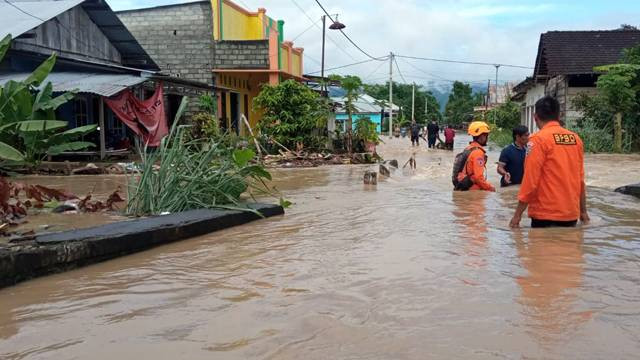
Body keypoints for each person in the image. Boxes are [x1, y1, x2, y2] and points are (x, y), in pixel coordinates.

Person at [510, 96, 590, 228]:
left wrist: (517, 215)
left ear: (535, 117)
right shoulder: (575, 139)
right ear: (559, 115)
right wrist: (583, 212)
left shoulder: (537, 140)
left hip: (545, 214)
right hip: (571, 214)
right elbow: (580, 179)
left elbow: (530, 180)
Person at [453, 121, 496, 192]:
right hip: (472, 191)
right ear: (482, 136)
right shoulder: (478, 153)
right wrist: (490, 188)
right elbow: (478, 177)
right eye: (486, 136)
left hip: (463, 187)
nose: (487, 138)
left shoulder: (468, 148)